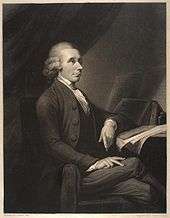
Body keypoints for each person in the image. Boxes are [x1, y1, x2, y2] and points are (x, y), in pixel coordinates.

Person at [36, 42, 165, 212]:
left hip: (94, 174)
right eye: (72, 61)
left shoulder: (79, 94)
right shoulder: (47, 100)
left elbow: (107, 114)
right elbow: (53, 145)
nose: (80, 66)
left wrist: (110, 123)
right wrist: (95, 163)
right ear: (57, 66)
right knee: (134, 164)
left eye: (80, 61)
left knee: (145, 192)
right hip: (72, 177)